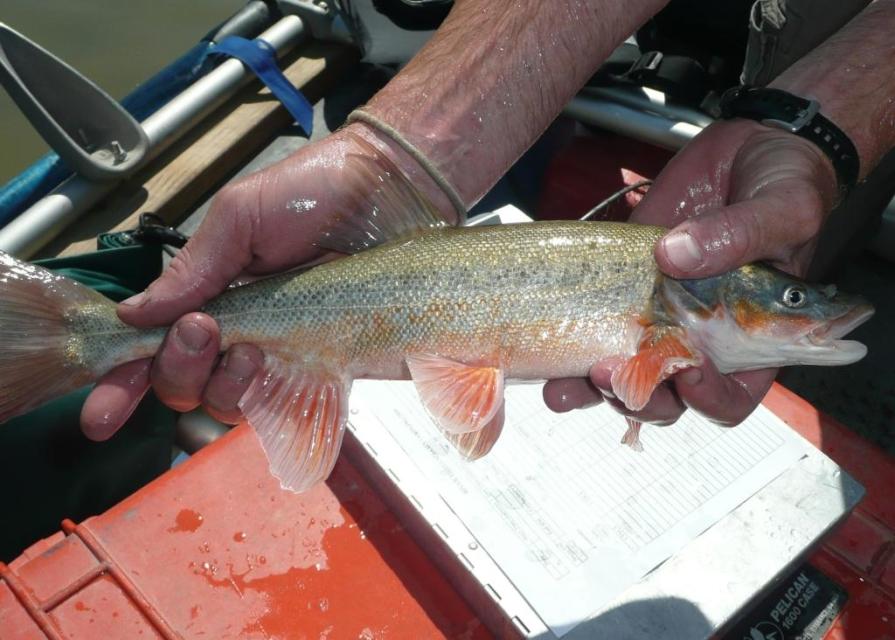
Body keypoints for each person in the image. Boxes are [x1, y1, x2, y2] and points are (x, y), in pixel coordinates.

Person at [79, 0, 895, 441]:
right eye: (788, 303)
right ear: (706, 298)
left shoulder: (677, 322)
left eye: (793, 304)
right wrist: (390, 161)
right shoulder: (670, 310)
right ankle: (78, 337)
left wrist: (819, 132)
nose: (805, 305)